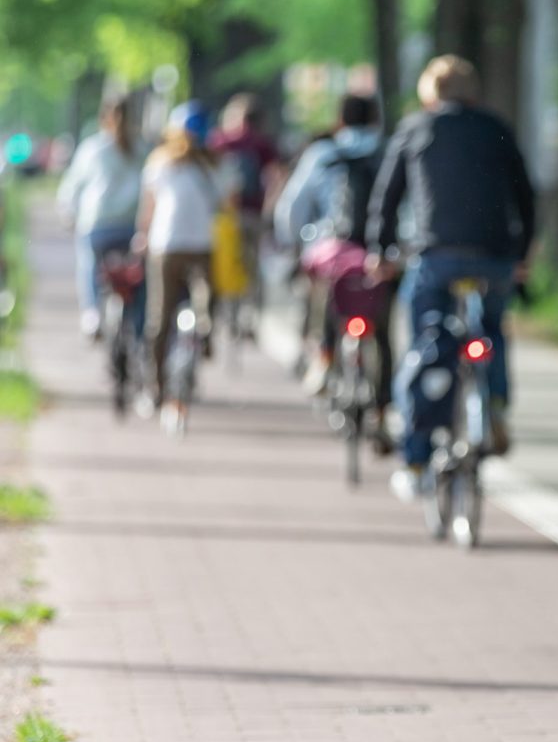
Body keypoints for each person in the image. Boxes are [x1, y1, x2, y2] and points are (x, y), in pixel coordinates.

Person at [365, 55, 535, 499]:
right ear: (473, 92)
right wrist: (521, 253)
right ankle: (494, 403)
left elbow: (387, 196)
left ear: (429, 94)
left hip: (435, 257)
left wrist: (380, 250)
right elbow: (524, 192)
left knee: (427, 341)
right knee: (491, 327)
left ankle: (416, 457)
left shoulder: (415, 128)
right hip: (494, 259)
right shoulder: (496, 127)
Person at [275, 94, 392, 442]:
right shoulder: (388, 151)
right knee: (383, 331)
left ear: (340, 120)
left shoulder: (322, 154)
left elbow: (292, 207)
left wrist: (295, 244)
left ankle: (323, 355)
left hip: (332, 247)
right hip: (376, 254)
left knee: (325, 295)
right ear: (374, 120)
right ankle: (383, 412)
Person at [134, 101, 232, 419]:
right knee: (206, 300)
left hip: (166, 247)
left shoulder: (160, 162)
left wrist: (142, 236)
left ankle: (155, 387)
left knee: (159, 319)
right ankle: (203, 335)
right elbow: (228, 205)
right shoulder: (215, 166)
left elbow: (148, 209)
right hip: (203, 246)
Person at [57, 96, 145, 338]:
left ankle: (92, 313)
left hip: (98, 224)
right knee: (140, 275)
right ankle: (140, 325)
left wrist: (68, 213)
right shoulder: (142, 148)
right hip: (133, 226)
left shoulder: (92, 147)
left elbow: (72, 186)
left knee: (89, 263)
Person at [208, 93, 279, 323]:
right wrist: (269, 206)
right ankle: (251, 315)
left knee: (221, 263)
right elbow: (277, 176)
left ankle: (218, 312)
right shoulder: (262, 143)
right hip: (254, 212)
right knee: (253, 263)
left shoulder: (220, 141)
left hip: (224, 216)